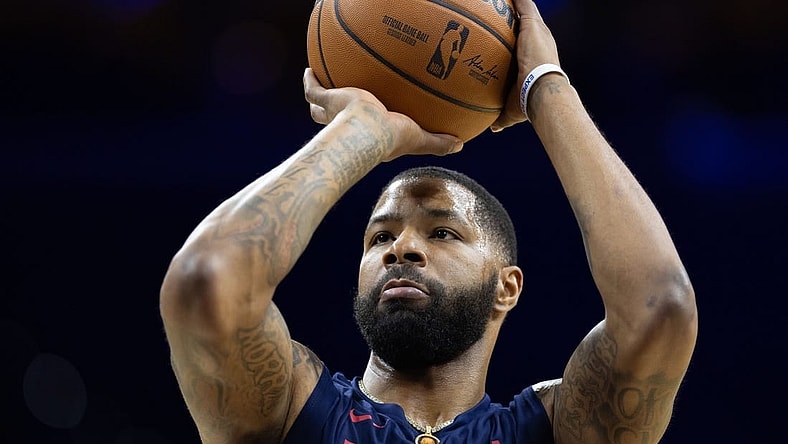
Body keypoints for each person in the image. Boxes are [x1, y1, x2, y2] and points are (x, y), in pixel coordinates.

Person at [159, 0, 698, 443]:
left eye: (442, 232)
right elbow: (204, 281)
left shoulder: (548, 432)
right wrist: (364, 132)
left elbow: (661, 309)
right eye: (380, 237)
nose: (401, 249)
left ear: (506, 288)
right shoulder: (291, 413)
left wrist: (546, 88)